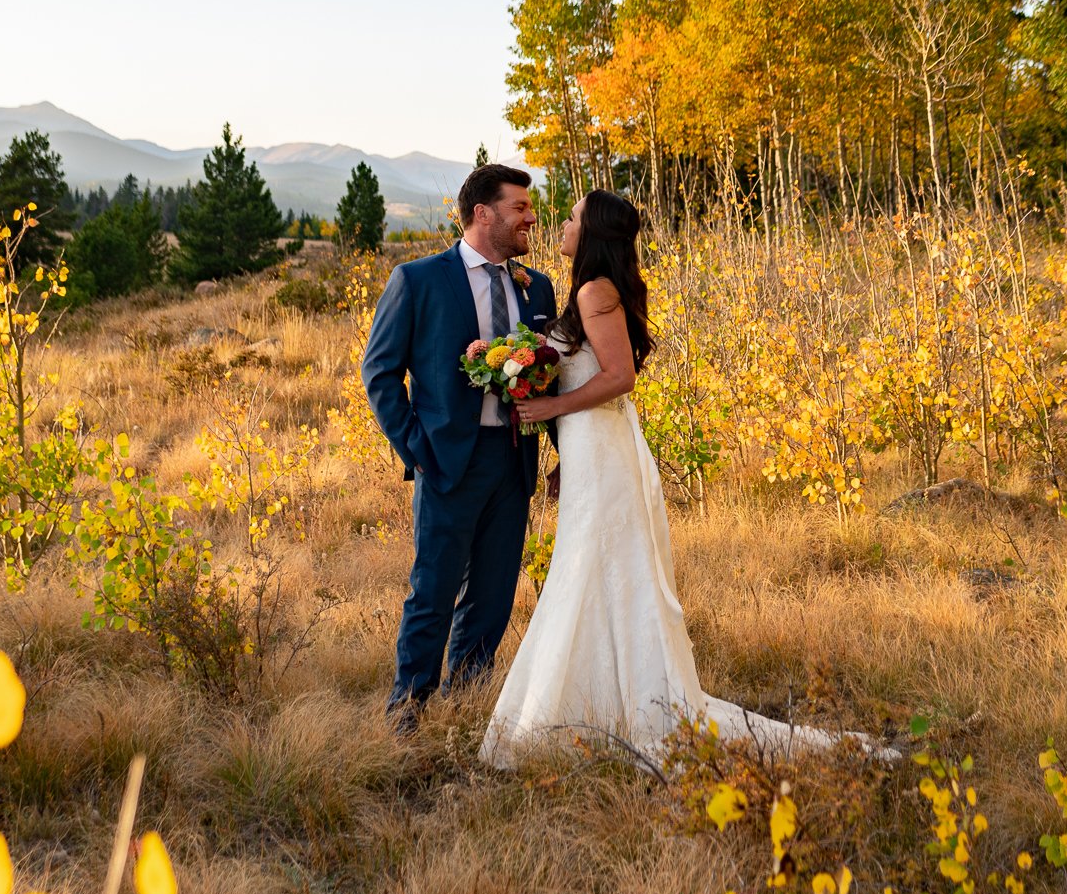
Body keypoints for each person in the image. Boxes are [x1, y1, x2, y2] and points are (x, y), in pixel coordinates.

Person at [481, 189, 891, 767]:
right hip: (593, 451)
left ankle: (613, 710)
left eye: (572, 218)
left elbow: (620, 378)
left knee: (593, 570)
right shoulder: (587, 291)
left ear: (592, 232)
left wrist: (549, 410)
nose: (563, 225)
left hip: (605, 453)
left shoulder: (595, 291)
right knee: (594, 570)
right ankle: (600, 703)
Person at [362, 163, 558, 733]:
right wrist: (417, 448)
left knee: (494, 597)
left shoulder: (536, 285)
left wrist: (561, 449)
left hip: (513, 459)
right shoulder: (418, 280)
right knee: (434, 590)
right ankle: (407, 714)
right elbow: (379, 372)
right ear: (483, 214)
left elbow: (551, 377)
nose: (531, 217)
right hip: (447, 461)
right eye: (519, 208)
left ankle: (467, 709)